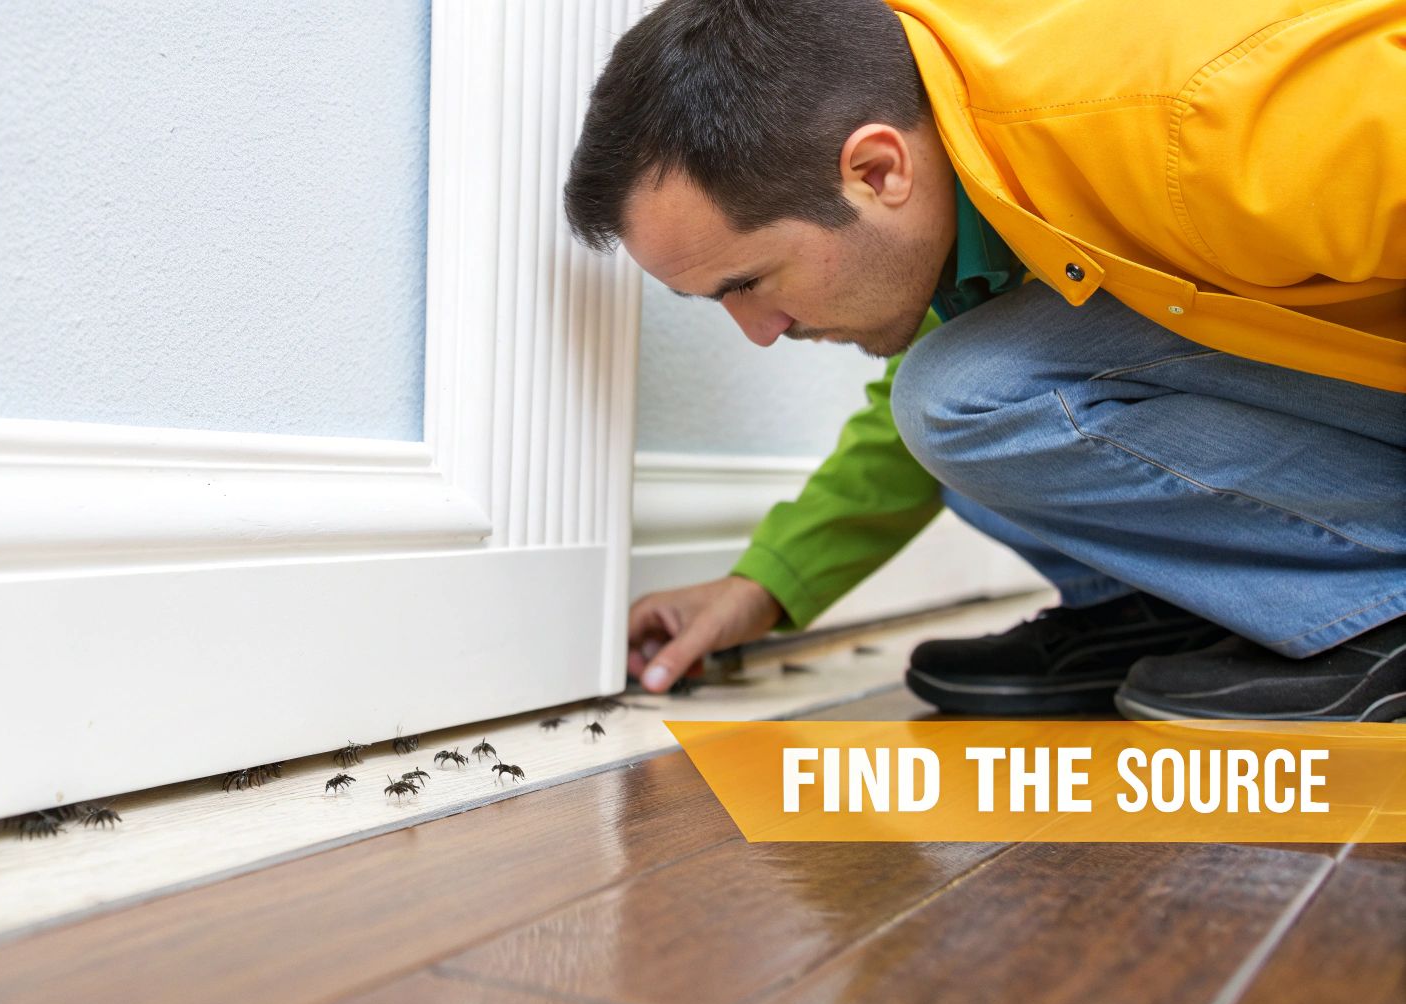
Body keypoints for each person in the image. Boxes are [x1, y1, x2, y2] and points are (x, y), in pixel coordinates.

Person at [564, 0, 1406, 721]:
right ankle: (1168, 612)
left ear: (876, 169)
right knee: (966, 400)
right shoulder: (946, 124)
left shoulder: (1206, 122)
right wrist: (767, 585)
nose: (759, 329)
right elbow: (966, 393)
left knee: (966, 398)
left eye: (745, 282)